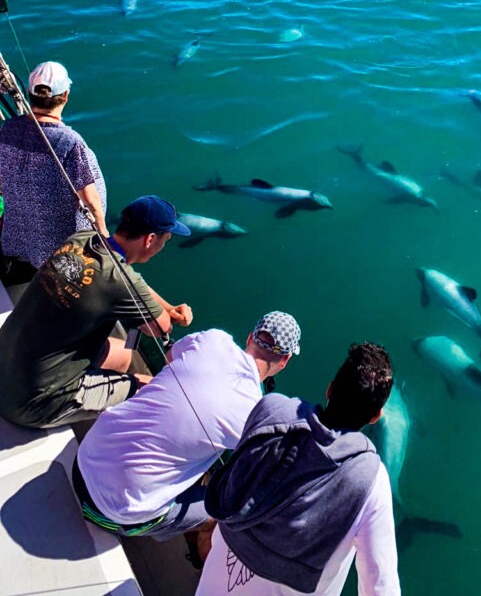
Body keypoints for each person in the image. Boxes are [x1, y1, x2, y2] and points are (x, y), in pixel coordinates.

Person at [72, 311, 301, 545]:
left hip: (82, 461)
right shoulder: (254, 413)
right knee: (221, 508)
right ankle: (183, 545)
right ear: (284, 360)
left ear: (250, 337)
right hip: (106, 514)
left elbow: (170, 356)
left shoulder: (214, 339)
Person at [197, 341, 401, 596]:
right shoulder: (371, 479)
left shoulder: (270, 409)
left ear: (330, 389)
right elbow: (380, 586)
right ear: (376, 417)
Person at [0, 194, 193, 429]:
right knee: (151, 390)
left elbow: (128, 279)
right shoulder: (119, 282)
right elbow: (161, 328)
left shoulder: (82, 239)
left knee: (124, 354)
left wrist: (168, 307)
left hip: (8, 365)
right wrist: (172, 316)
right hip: (31, 403)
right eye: (166, 240)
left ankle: (98, 403)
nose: (163, 246)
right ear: (150, 240)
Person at [0, 60, 108, 285]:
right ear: (65, 95)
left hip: (16, 238)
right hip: (55, 249)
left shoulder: (8, 129)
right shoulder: (69, 141)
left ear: (29, 94)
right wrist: (103, 235)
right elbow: (90, 200)